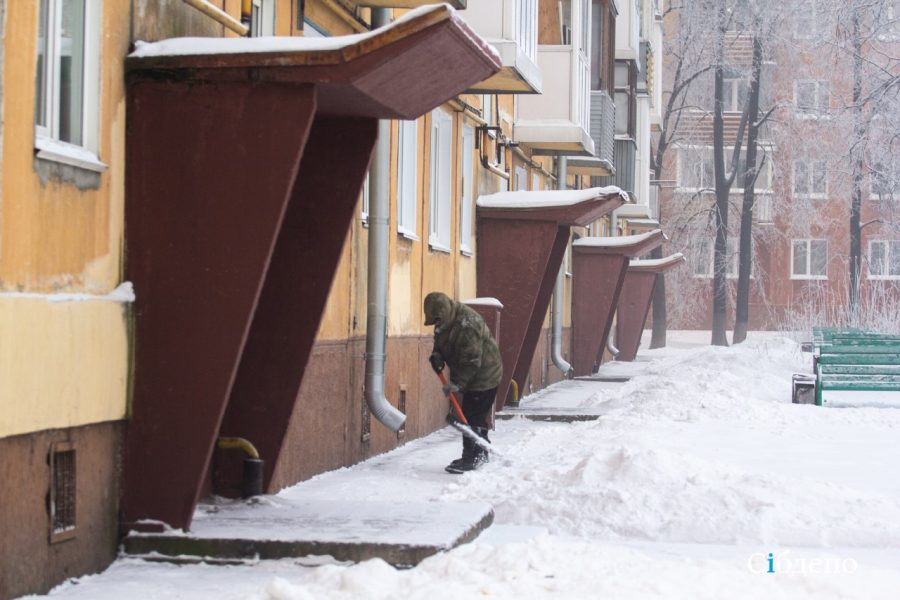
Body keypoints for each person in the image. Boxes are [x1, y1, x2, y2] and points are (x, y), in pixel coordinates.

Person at [423, 291, 503, 474]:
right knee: (472, 415)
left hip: (485, 375)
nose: (437, 326)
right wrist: (437, 356)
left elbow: (471, 360)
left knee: (471, 417)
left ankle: (473, 457)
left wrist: (457, 383)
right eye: (435, 322)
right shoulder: (444, 322)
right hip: (471, 374)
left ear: (445, 313)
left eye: (438, 321)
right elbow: (440, 341)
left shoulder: (468, 324)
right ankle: (480, 452)